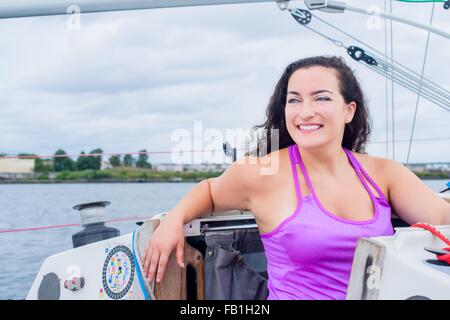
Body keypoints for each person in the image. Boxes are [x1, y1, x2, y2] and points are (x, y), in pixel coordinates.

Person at [142, 56, 450, 300]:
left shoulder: (383, 173)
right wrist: (174, 219)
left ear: (348, 110)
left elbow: (440, 217)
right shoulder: (263, 173)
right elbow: (210, 191)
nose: (305, 112)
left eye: (321, 98)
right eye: (294, 100)